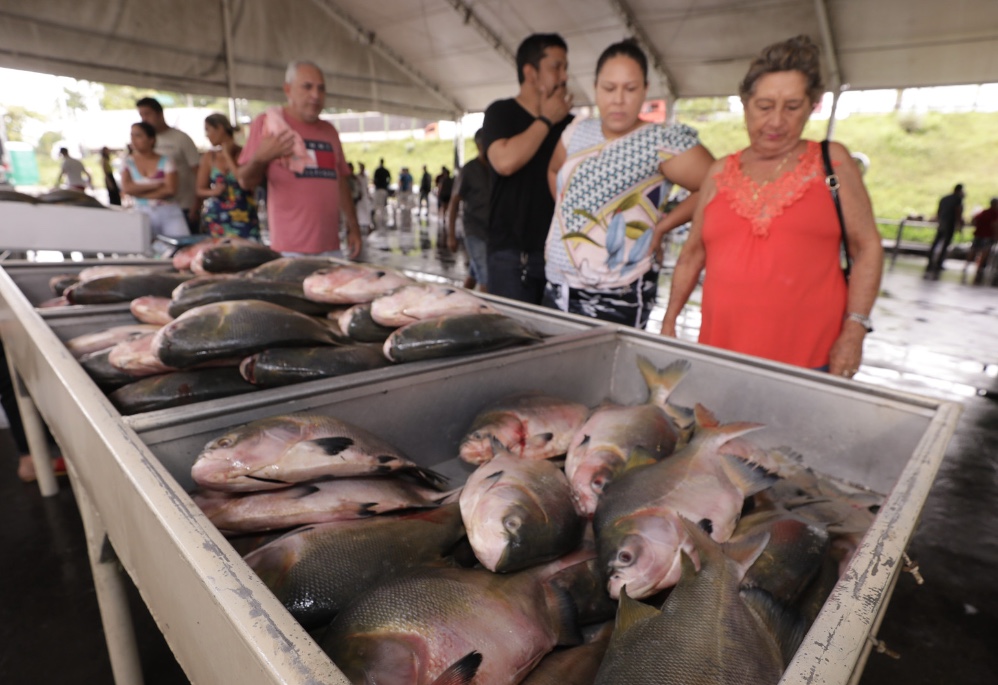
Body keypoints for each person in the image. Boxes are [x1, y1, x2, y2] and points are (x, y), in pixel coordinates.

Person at [661, 35, 883, 378]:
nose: (777, 121)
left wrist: (855, 330)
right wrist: (669, 322)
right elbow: (692, 254)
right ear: (746, 104)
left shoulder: (832, 162)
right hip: (719, 352)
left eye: (792, 107)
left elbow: (867, 246)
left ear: (812, 106)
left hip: (810, 358)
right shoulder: (719, 172)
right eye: (765, 106)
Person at [544, 40, 715, 328]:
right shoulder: (576, 131)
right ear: (595, 87)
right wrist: (567, 215)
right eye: (609, 88)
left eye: (630, 88)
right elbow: (553, 171)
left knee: (603, 371)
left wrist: (662, 226)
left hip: (617, 294)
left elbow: (716, 182)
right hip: (557, 284)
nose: (618, 99)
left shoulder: (660, 141)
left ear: (646, 89)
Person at [481, 33, 574, 304]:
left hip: (557, 257)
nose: (564, 76)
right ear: (530, 72)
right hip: (511, 258)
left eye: (566, 67)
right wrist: (547, 119)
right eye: (556, 66)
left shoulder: (570, 124)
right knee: (513, 340)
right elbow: (505, 162)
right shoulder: (501, 112)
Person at [236, 60, 362, 258]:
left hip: (331, 247)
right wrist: (260, 159)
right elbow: (245, 181)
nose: (315, 95)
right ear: (288, 89)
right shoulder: (269, 124)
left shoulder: (329, 132)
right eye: (307, 87)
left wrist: (354, 228)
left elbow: (340, 182)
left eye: (321, 89)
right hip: (289, 249)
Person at [136, 97, 201, 232]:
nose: (144, 119)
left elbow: (198, 172)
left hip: (183, 205)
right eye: (141, 115)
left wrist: (197, 204)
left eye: (147, 114)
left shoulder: (181, 138)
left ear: (159, 113)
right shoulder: (143, 142)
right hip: (152, 208)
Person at [120, 121, 190, 238]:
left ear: (151, 139)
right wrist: (155, 185)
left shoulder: (166, 161)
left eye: (138, 136)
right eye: (132, 136)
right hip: (140, 212)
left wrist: (139, 193)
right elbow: (127, 188)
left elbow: (170, 190)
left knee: (179, 246)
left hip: (168, 211)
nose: (133, 140)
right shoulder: (127, 162)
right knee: (145, 248)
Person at [196, 113, 259, 240]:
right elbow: (199, 190)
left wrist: (227, 156)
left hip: (244, 215)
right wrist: (214, 192)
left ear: (220, 128)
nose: (207, 135)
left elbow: (243, 181)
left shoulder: (244, 153)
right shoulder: (210, 157)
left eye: (208, 130)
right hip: (218, 217)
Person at [447, 129, 491, 290]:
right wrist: (451, 235)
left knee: (475, 270)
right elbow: (454, 203)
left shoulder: (497, 168)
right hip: (474, 230)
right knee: (486, 277)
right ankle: (486, 313)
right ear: (479, 146)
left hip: (492, 232)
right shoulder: (469, 170)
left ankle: (461, 299)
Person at [925, 183, 965, 279]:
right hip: (950, 223)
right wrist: (959, 223)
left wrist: (939, 219)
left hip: (942, 222)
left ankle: (930, 260)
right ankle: (939, 262)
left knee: (936, 241)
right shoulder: (957, 199)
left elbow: (939, 210)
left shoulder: (944, 198)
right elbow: (957, 211)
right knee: (945, 244)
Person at [967, 197, 997, 284]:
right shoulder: (994, 213)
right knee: (984, 252)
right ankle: (979, 267)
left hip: (978, 234)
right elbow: (994, 225)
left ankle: (967, 265)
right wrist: (996, 235)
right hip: (987, 235)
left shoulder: (984, 212)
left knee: (974, 250)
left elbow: (974, 220)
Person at [372, 158, 391, 227]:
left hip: (379, 188)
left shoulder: (377, 170)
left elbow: (374, 179)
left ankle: (379, 217)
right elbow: (389, 178)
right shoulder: (385, 171)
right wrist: (386, 184)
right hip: (383, 188)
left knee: (378, 204)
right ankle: (382, 217)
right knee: (382, 204)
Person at [355, 161, 373, 233]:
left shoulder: (365, 177)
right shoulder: (357, 177)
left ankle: (368, 224)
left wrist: (368, 195)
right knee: (360, 211)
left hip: (365, 195)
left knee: (367, 210)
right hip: (361, 195)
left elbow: (366, 187)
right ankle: (359, 225)